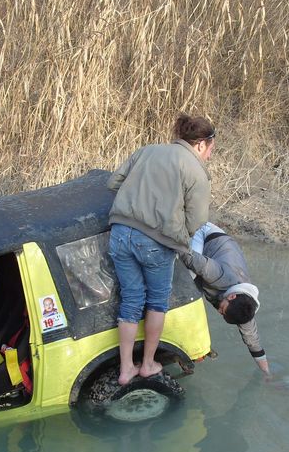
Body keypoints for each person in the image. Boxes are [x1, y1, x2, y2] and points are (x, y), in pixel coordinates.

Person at [107, 113, 214, 385]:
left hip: (119, 233)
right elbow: (198, 219)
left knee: (131, 299)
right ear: (201, 144)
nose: (210, 153)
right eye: (211, 147)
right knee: (157, 302)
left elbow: (113, 183)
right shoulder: (196, 170)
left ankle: (125, 369)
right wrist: (179, 234)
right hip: (154, 243)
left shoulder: (147, 150)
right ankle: (147, 364)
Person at [180, 221, 270, 376]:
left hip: (224, 249)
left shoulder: (245, 307)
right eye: (222, 310)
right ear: (232, 296)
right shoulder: (219, 275)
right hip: (204, 232)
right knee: (189, 276)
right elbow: (189, 256)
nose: (220, 312)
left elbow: (253, 342)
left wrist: (267, 374)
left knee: (194, 293)